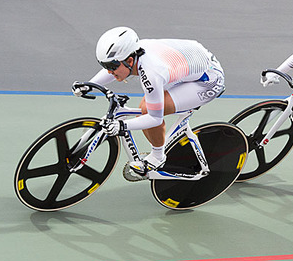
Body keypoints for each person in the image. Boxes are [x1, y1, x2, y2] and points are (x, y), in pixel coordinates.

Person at [72, 26, 225, 177]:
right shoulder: (133, 52)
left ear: (130, 60)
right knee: (151, 102)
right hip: (189, 66)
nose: (109, 72)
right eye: (105, 66)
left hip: (207, 81)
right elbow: (117, 69)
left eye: (111, 66)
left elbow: (154, 118)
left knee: (146, 108)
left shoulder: (152, 72)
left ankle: (158, 157)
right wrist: (88, 84)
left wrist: (122, 125)